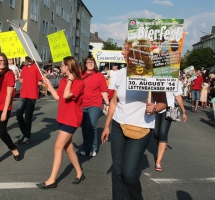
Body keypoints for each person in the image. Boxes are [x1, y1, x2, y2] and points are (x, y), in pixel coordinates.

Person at [101, 40, 167, 200]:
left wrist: (155, 108)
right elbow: (114, 102)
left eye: (125, 49)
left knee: (129, 173)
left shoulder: (152, 74)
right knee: (117, 173)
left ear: (137, 53)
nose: (122, 53)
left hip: (141, 129)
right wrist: (106, 126)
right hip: (118, 125)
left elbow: (163, 103)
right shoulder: (121, 73)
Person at [36, 56, 85, 189]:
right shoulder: (63, 80)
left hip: (72, 119)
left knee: (57, 147)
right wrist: (49, 84)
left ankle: (52, 180)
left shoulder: (79, 83)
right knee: (68, 149)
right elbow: (58, 97)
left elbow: (67, 95)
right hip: (62, 117)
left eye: (62, 65)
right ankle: (80, 172)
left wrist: (70, 79)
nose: (60, 67)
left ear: (67, 67)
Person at [79, 56, 109, 157]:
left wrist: (107, 104)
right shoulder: (80, 74)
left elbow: (103, 91)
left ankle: (93, 147)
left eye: (92, 62)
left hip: (95, 103)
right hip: (82, 104)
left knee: (91, 125)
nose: (90, 64)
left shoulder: (99, 75)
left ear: (94, 63)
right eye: (88, 62)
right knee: (84, 126)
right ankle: (85, 147)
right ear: (85, 64)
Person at [154, 85, 187, 172]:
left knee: (163, 133)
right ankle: (160, 147)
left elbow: (178, 96)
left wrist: (183, 111)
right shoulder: (154, 78)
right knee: (155, 133)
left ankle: (158, 161)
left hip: (169, 109)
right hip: (155, 108)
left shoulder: (174, 80)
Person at [16, 56, 42, 144]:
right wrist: (17, 77)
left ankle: (27, 137)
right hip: (23, 94)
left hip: (32, 95)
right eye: (27, 58)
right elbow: (22, 81)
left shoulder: (36, 68)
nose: (28, 60)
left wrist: (40, 82)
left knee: (28, 117)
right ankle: (24, 132)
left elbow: (40, 81)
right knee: (18, 114)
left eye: (29, 58)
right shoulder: (24, 68)